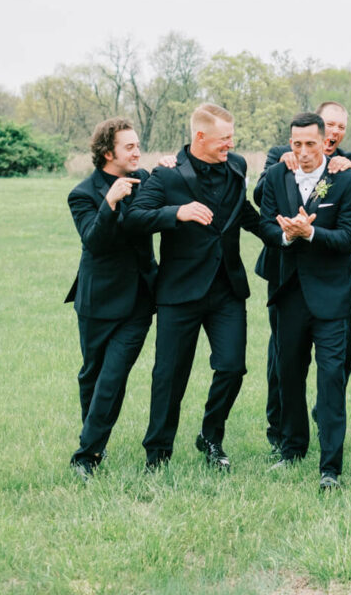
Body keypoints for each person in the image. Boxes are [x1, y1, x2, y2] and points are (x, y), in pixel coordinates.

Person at [124, 103, 261, 471]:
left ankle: (211, 437)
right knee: (169, 376)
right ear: (200, 136)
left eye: (232, 138)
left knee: (233, 367)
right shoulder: (167, 175)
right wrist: (176, 213)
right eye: (223, 139)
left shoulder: (238, 167)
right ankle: (157, 453)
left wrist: (281, 234)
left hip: (227, 289)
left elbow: (241, 212)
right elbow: (135, 217)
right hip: (180, 291)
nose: (229, 145)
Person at [259, 112, 351, 490]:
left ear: (325, 142)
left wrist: (311, 232)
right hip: (288, 293)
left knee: (331, 379)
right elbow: (265, 225)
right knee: (287, 374)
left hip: (332, 296)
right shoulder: (276, 175)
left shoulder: (347, 180)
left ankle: (330, 467)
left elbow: (348, 238)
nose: (302, 152)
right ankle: (292, 448)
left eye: (310, 144)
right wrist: (286, 236)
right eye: (296, 144)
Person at [66, 117, 157, 478]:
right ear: (108, 153)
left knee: (112, 376)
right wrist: (110, 202)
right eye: (129, 147)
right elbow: (94, 241)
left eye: (138, 145)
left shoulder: (146, 180)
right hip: (97, 300)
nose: (138, 151)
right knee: (92, 375)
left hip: (138, 300)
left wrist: (171, 166)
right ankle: (95, 443)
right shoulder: (83, 194)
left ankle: (85, 456)